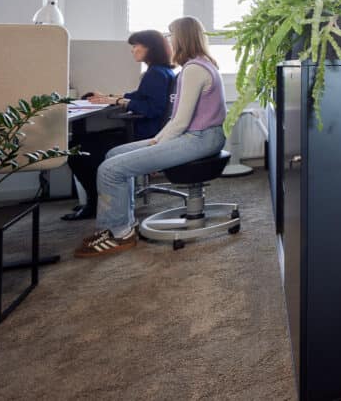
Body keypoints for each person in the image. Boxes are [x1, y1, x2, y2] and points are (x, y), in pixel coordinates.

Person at [75, 16, 227, 258]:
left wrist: (158, 143)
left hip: (199, 138)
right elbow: (177, 120)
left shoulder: (194, 70)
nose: (169, 40)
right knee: (113, 155)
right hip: (198, 135)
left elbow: (180, 122)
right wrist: (158, 140)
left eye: (171, 35)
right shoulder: (198, 65)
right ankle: (124, 222)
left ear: (182, 38)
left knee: (109, 170)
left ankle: (118, 232)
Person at [62, 30, 176, 221]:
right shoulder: (161, 71)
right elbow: (140, 96)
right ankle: (96, 200)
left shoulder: (155, 73)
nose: (132, 50)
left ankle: (94, 204)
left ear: (150, 48)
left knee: (77, 151)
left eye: (136, 45)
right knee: (85, 143)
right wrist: (110, 97)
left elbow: (153, 108)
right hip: (148, 131)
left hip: (143, 134)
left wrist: (118, 101)